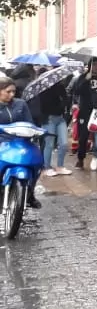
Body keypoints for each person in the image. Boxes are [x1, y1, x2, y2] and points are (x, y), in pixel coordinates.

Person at [0, 76, 42, 208]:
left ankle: (29, 193)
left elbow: (29, 123)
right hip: (2, 141)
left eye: (13, 91)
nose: (12, 95)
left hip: (20, 141)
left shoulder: (21, 104)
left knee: (36, 162)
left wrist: (35, 132)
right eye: (8, 91)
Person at [34, 69, 72, 176]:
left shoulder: (59, 87)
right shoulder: (41, 90)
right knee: (49, 144)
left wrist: (63, 103)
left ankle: (60, 166)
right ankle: (46, 167)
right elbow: (40, 106)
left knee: (64, 143)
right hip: (48, 119)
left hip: (60, 118)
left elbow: (66, 99)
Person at [73, 57, 97, 169]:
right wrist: (86, 79)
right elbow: (76, 91)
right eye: (94, 64)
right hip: (85, 111)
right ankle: (80, 159)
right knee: (83, 136)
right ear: (89, 66)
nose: (96, 67)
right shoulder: (83, 77)